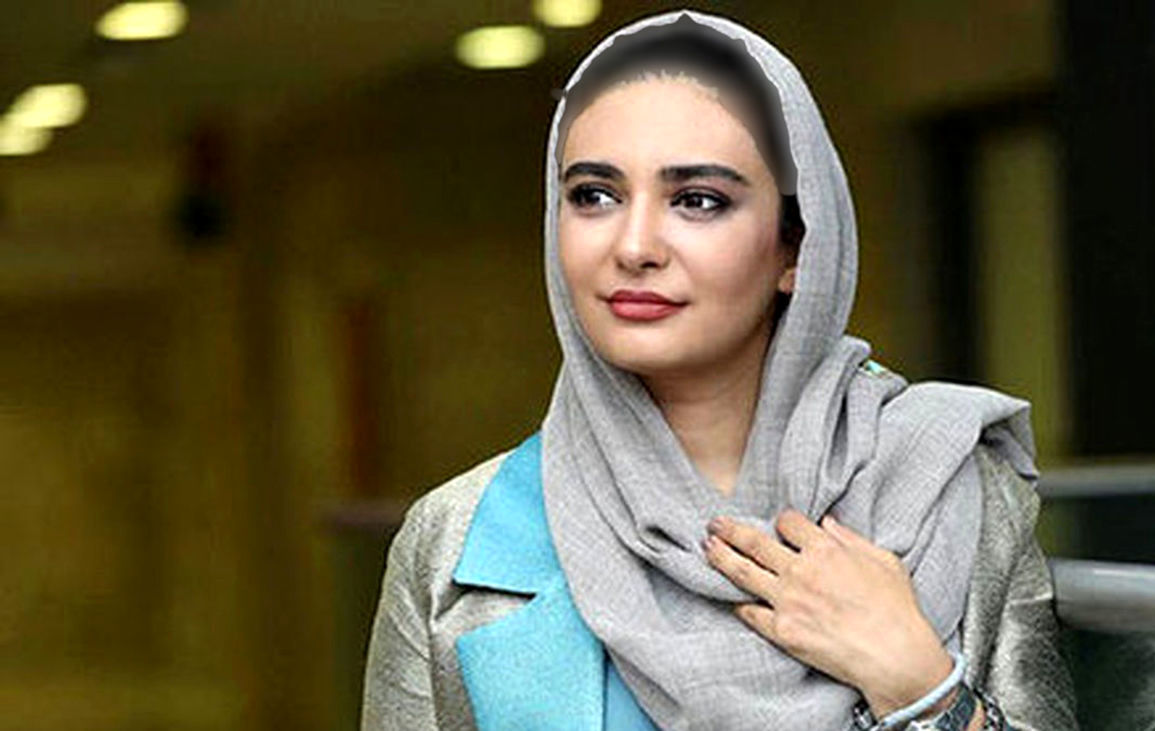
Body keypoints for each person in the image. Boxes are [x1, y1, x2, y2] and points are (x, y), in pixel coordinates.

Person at [362, 9, 1076, 730]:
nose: (634, 245)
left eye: (698, 200)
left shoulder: (947, 490)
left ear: (796, 247)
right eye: (594, 195)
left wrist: (922, 688)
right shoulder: (458, 541)